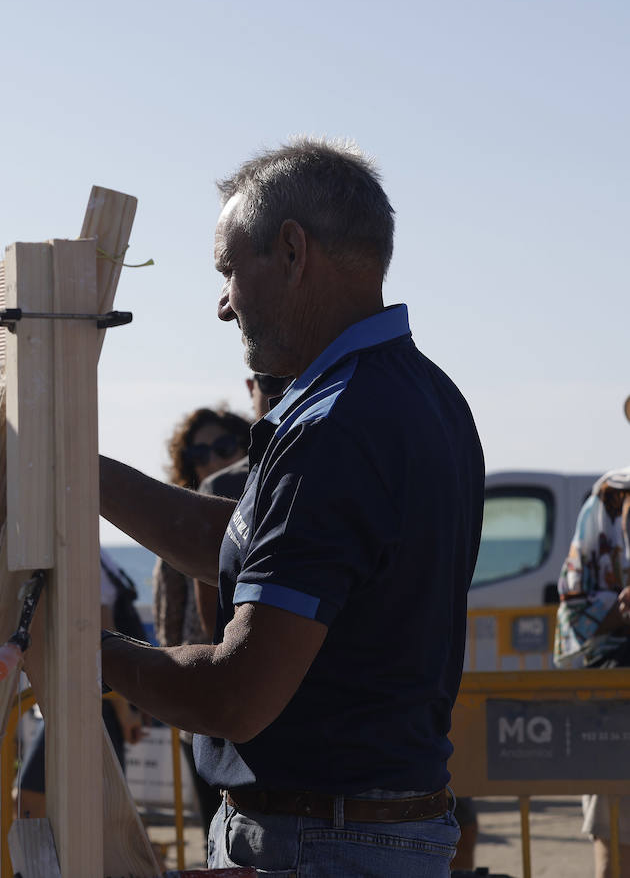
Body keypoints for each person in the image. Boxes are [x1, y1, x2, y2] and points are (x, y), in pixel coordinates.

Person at [99, 138, 484, 876]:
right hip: (359, 834)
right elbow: (249, 538)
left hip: (322, 843)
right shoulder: (422, 395)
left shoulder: (335, 427)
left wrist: (86, 651)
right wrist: (81, 476)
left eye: (228, 269)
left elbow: (236, 695)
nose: (222, 303)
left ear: (292, 250)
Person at [151, 403, 253, 857]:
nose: (211, 459)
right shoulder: (176, 535)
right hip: (201, 699)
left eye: (224, 446)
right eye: (199, 453)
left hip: (252, 681)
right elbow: (168, 624)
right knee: (214, 820)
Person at [17, 549, 147, 820]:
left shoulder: (81, 555)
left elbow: (103, 645)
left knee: (37, 800)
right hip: (93, 702)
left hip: (92, 703)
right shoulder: (98, 557)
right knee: (106, 811)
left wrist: (125, 714)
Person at [554, 468, 630, 878]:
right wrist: (616, 612)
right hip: (612, 710)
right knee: (613, 850)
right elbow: (573, 611)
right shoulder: (606, 507)